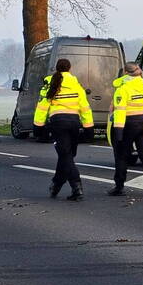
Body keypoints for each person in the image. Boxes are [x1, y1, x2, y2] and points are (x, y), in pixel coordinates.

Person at [34, 58, 93, 201]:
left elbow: (42, 107)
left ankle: (76, 187)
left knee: (65, 156)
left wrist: (38, 126)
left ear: (56, 68)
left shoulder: (50, 84)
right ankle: (57, 185)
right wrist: (88, 127)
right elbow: (85, 108)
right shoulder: (76, 86)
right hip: (74, 122)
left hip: (58, 123)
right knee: (67, 155)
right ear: (70, 68)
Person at [108, 63, 143, 197]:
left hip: (129, 124)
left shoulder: (122, 90)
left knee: (122, 155)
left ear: (126, 74)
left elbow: (120, 112)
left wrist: (119, 132)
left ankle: (119, 186)